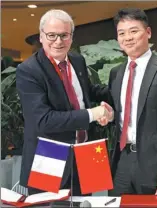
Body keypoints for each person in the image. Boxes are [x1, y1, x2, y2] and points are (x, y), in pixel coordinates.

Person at [16, 9, 113, 196]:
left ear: (71, 37)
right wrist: (93, 114)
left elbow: (86, 93)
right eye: (52, 35)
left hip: (87, 151)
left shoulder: (77, 60)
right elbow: (43, 120)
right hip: (49, 155)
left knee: (87, 203)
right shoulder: (28, 70)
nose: (58, 41)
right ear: (41, 36)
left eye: (64, 35)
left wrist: (120, 89)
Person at [106, 8, 157, 199]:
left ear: (148, 32)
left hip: (154, 165)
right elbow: (119, 115)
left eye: (134, 31)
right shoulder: (116, 73)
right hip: (121, 162)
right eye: (122, 33)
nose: (128, 38)